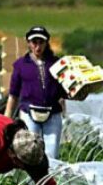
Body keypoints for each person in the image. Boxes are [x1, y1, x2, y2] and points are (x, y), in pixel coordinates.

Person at [4, 25, 66, 159]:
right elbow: (13, 95)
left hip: (53, 112)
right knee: (30, 151)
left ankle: (49, 179)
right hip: (29, 112)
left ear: (46, 43)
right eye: (34, 42)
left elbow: (64, 92)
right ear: (29, 43)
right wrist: (6, 120)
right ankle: (32, 180)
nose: (38, 47)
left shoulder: (56, 64)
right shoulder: (20, 65)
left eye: (41, 42)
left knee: (52, 153)